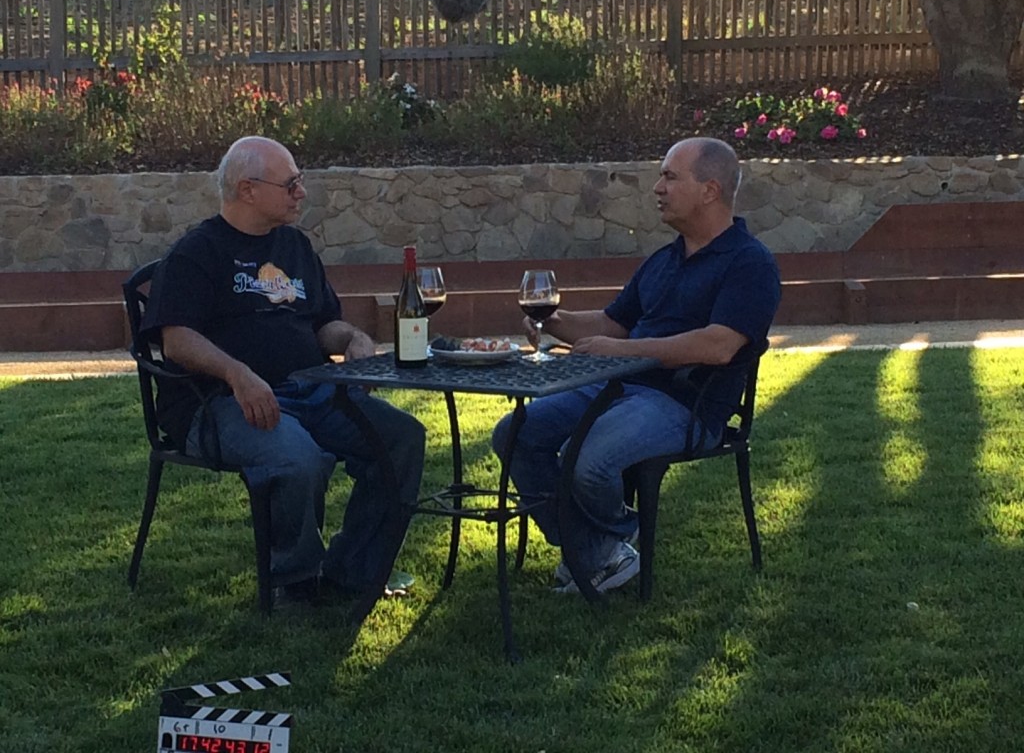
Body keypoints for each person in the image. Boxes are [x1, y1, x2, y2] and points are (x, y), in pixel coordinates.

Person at [141, 136, 425, 606]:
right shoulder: (197, 252)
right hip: (219, 402)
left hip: (312, 390)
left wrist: (352, 338)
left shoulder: (294, 247)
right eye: (290, 183)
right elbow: (176, 339)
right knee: (298, 457)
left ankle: (354, 573)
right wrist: (237, 375)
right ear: (248, 189)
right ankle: (294, 582)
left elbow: (321, 325)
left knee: (402, 438)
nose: (302, 192)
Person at [492, 137, 781, 594]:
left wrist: (621, 352)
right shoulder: (663, 260)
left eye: (670, 176)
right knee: (514, 433)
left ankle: (597, 554)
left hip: (685, 405)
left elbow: (719, 345)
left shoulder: (750, 263)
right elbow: (614, 323)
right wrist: (551, 319)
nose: (657, 188)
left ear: (709, 190)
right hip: (618, 387)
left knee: (586, 461)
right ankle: (598, 554)